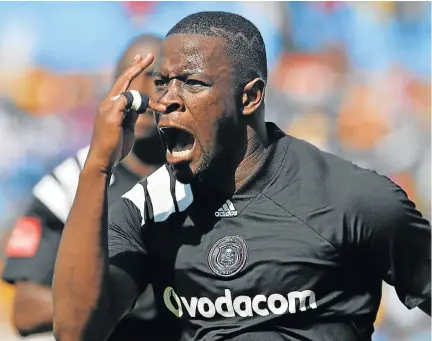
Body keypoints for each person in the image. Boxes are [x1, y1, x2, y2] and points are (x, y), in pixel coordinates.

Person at [52, 11, 431, 341]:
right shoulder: (146, 210)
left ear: (250, 97)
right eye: (162, 82)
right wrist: (98, 168)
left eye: (193, 83)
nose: (166, 98)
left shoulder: (351, 198)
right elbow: (76, 331)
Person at [1, 34, 177, 341]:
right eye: (132, 78)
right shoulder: (68, 181)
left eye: (158, 79)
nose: (143, 92)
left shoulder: (198, 175)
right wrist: (123, 297)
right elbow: (25, 313)